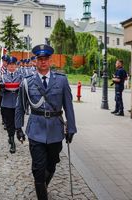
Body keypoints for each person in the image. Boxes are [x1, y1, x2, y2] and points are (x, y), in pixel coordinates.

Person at [15, 44, 77, 200]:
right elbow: (20, 106)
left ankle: (42, 185)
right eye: (39, 59)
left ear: (50, 60)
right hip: (36, 129)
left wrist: (71, 128)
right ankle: (41, 192)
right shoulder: (27, 82)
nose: (43, 62)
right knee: (38, 167)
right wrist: (18, 127)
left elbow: (68, 105)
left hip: (56, 129)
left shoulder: (61, 80)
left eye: (46, 59)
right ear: (35, 61)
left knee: (52, 164)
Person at [0, 56, 23, 153]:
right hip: (6, 103)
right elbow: (0, 92)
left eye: (13, 65)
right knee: (9, 123)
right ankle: (12, 141)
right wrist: (1, 87)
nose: (12, 67)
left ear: (16, 66)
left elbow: (23, 89)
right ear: (7, 66)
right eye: (10, 65)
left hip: (17, 102)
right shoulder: (3, 76)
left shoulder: (20, 76)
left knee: (17, 122)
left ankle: (16, 133)